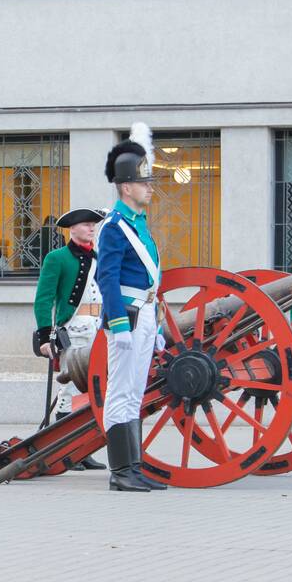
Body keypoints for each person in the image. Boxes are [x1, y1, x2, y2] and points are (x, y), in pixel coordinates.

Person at [97, 124, 168, 492]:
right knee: (120, 392)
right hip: (127, 320)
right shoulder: (114, 227)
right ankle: (120, 470)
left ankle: (134, 467)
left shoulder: (140, 226)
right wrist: (120, 325)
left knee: (135, 392)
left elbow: (150, 285)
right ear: (126, 187)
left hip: (144, 319)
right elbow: (106, 279)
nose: (150, 187)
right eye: (144, 182)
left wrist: (155, 329)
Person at [33, 207, 107, 471]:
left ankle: (84, 450)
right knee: (68, 390)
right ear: (72, 229)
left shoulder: (99, 257)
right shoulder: (58, 258)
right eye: (87, 225)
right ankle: (67, 449)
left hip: (97, 327)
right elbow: (43, 299)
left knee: (92, 391)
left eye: (93, 225)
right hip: (73, 328)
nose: (91, 229)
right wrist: (45, 336)